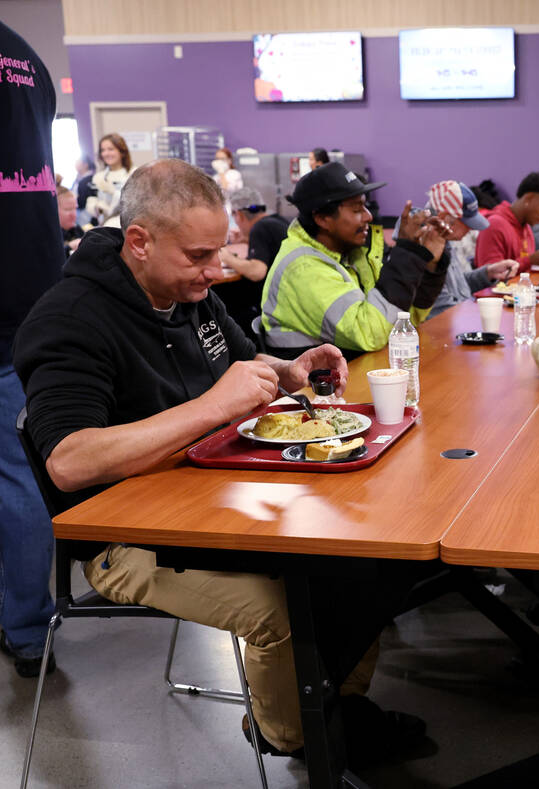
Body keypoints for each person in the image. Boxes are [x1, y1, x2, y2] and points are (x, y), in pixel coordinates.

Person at [14, 158, 427, 763]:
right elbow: (69, 463)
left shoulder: (190, 295)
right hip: (124, 538)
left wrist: (290, 370)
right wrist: (211, 407)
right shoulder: (69, 320)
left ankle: (331, 703)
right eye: (199, 256)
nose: (217, 270)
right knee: (289, 607)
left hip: (215, 497)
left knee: (369, 549)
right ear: (139, 241)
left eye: (222, 250)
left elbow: (244, 366)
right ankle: (296, 734)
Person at [0, 19, 62, 679]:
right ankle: (24, 621)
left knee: (15, 476)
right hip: (35, 290)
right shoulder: (24, 55)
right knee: (18, 467)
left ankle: (22, 624)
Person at [260, 162, 448, 357]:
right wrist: (407, 253)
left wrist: (428, 262)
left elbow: (400, 319)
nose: (368, 216)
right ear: (322, 219)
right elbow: (370, 333)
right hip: (312, 384)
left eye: (365, 206)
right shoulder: (304, 268)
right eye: (357, 209)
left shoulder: (349, 254)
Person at [411, 180, 520, 319]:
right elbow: (439, 309)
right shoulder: (422, 245)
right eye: (467, 224)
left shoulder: (444, 239)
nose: (470, 230)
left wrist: (488, 273)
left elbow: (457, 289)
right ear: (444, 218)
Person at [214, 187, 289, 338]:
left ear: (239, 215)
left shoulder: (260, 228)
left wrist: (228, 258)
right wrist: (244, 239)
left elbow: (257, 272)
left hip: (269, 309)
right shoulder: (277, 221)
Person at [475, 171, 539, 271]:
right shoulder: (494, 224)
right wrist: (528, 261)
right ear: (528, 199)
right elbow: (490, 275)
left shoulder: (527, 228)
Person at [86, 132, 134, 225]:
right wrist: (97, 208)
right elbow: (91, 201)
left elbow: (135, 203)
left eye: (111, 149)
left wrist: (113, 191)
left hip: (127, 225)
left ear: (122, 152)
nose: (106, 153)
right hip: (105, 225)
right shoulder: (98, 177)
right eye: (103, 150)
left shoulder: (133, 174)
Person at [57, 185, 86, 258]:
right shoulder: (49, 236)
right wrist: (68, 249)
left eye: (75, 208)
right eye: (68, 209)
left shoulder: (78, 231)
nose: (74, 214)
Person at [74, 155, 97, 224]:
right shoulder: (79, 179)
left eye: (78, 162)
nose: (75, 165)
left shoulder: (88, 180)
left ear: (85, 165)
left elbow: (82, 201)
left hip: (86, 215)